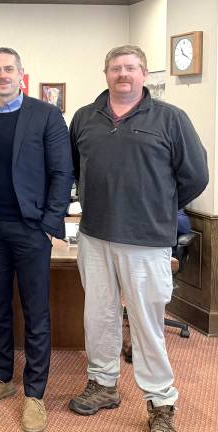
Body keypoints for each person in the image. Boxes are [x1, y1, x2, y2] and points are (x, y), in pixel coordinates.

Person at [69, 45, 208, 432]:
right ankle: (102, 383)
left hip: (146, 241)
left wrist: (158, 207)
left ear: (144, 74)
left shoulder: (170, 119)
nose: (123, 74)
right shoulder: (84, 118)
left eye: (131, 68)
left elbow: (195, 175)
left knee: (147, 325)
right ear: (106, 74)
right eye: (116, 68)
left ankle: (161, 402)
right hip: (95, 236)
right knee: (99, 317)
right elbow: (77, 170)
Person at [0, 47, 73, 432]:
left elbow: (63, 173)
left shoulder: (46, 115)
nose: (2, 75)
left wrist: (49, 223)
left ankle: (35, 394)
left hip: (30, 229)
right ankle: (1, 378)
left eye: (8, 69)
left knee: (35, 312)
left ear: (21, 74)